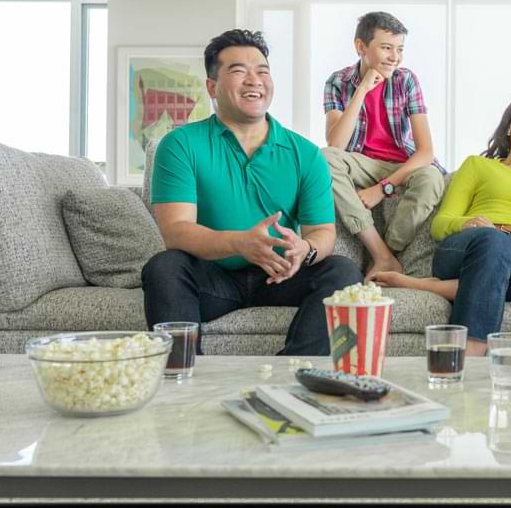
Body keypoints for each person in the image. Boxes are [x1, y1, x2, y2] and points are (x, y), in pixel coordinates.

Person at [142, 29, 364, 356]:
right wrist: (239, 243)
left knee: (344, 271)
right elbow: (175, 231)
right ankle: (183, 371)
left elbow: (322, 232)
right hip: (213, 277)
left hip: (280, 276)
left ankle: (292, 372)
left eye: (262, 71)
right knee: (164, 266)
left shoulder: (305, 154)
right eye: (238, 71)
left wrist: (305, 249)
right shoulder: (180, 144)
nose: (254, 80)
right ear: (212, 87)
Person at [375, 93, 511, 356]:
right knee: (495, 242)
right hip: (473, 246)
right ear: (509, 125)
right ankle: (472, 355)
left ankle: (426, 285)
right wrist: (467, 223)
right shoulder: (478, 165)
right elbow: (440, 224)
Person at [322, 12, 445, 281]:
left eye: (400, 49)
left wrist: (382, 189)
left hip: (404, 164)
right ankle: (379, 253)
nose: (394, 57)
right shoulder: (337, 82)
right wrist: (362, 90)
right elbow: (336, 144)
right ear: (361, 46)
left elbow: (426, 151)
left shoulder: (406, 80)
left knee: (432, 178)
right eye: (386, 48)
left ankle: (388, 253)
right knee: (324, 158)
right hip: (362, 163)